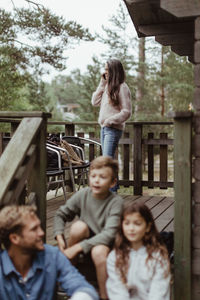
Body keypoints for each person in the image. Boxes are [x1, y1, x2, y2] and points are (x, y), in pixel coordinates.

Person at [54, 156, 124, 300]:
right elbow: (61, 214)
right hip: (86, 242)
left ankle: (105, 295)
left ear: (112, 182)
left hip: (108, 246)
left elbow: (109, 234)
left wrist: (77, 247)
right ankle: (69, 277)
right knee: (78, 227)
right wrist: (59, 235)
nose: (96, 180)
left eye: (102, 177)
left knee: (98, 251)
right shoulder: (83, 194)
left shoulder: (116, 202)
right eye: (93, 176)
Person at [0, 205, 99, 300]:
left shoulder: (51, 255)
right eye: (34, 229)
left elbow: (82, 287)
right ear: (15, 238)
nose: (41, 233)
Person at [106, 202, 171, 300]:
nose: (131, 229)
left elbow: (159, 291)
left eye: (137, 224)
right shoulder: (115, 256)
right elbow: (117, 290)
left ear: (148, 227)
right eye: (127, 223)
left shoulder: (158, 256)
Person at [91, 59, 132, 191]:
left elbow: (127, 112)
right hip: (104, 129)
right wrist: (102, 84)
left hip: (113, 129)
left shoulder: (122, 87)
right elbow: (94, 101)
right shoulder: (107, 86)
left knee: (106, 162)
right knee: (110, 162)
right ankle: (113, 193)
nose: (105, 72)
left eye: (108, 70)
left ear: (114, 71)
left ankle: (108, 195)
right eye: (105, 69)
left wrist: (110, 120)